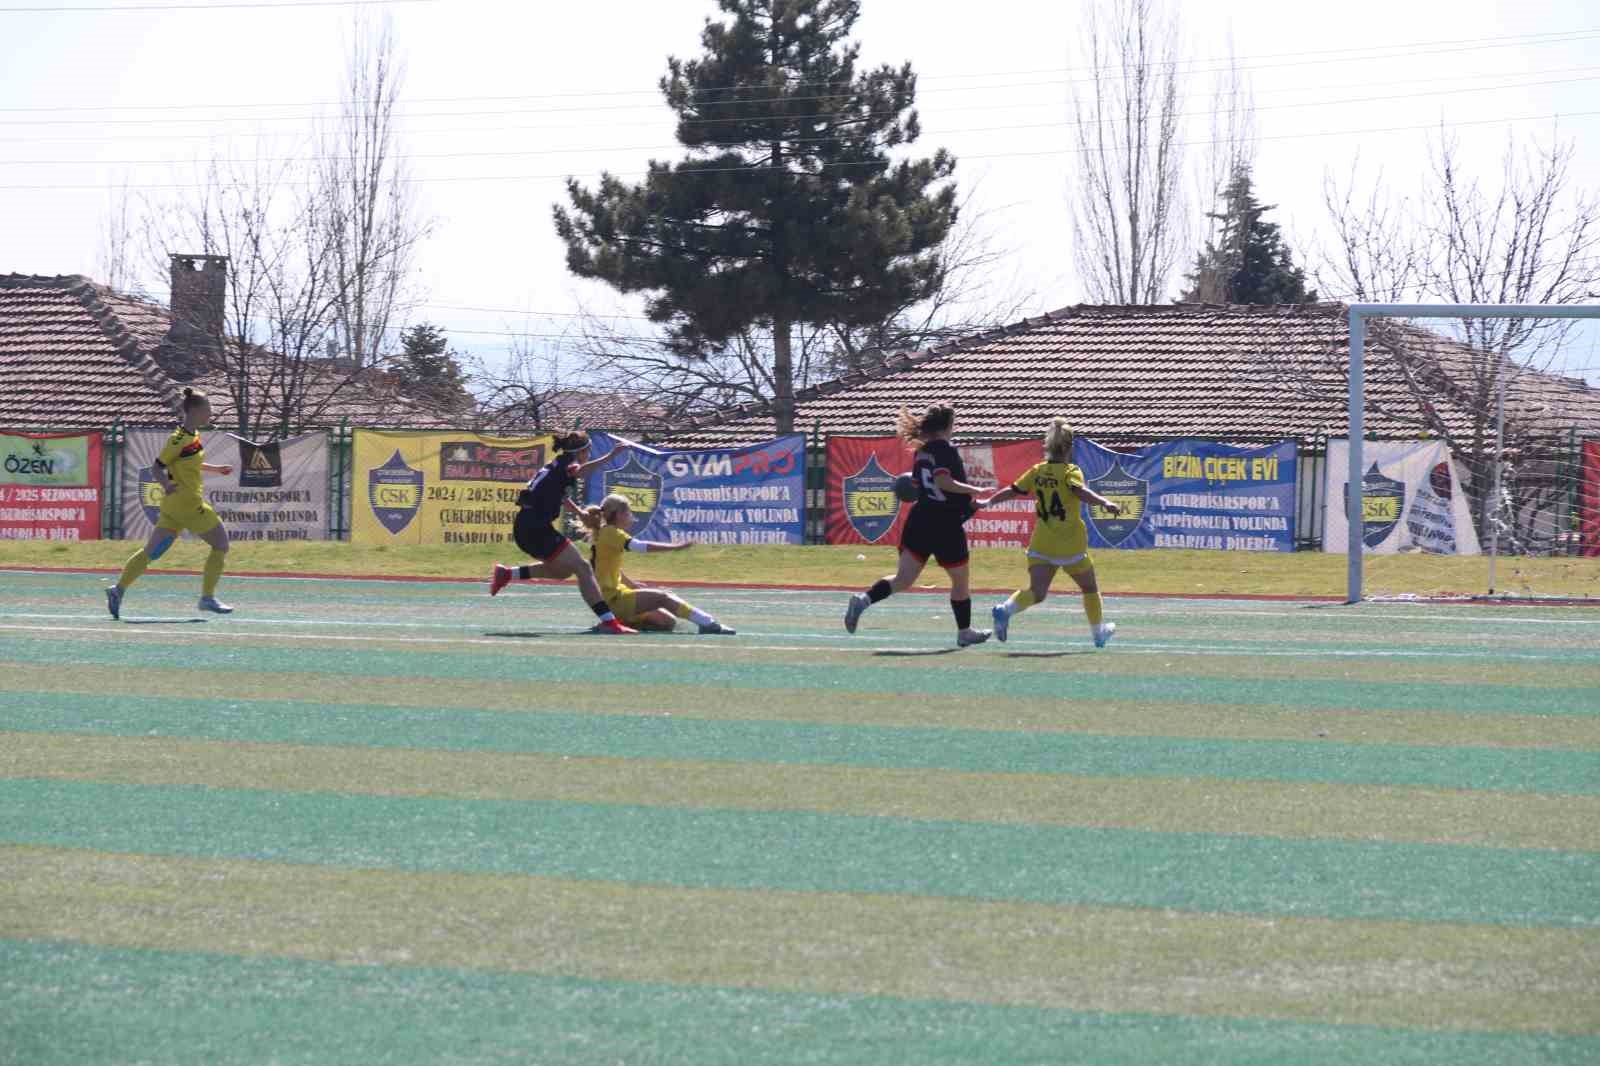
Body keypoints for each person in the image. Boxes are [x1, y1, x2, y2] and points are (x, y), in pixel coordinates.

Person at [843, 403, 991, 646]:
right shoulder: (945, 450)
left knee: (903, 579)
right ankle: (964, 631)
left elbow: (919, 486)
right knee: (960, 581)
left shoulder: (921, 452)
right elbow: (942, 482)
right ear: (947, 426)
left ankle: (863, 600)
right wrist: (973, 490)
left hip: (920, 520)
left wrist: (970, 504)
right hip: (944, 525)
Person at [980, 418, 1123, 648]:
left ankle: (1005, 609)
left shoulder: (1037, 471)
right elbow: (1079, 490)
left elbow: (1013, 490)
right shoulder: (1070, 471)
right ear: (1069, 447)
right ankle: (1098, 633)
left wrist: (987, 502)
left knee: (1037, 592)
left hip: (1042, 544)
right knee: (1089, 587)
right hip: (1070, 544)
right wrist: (1104, 502)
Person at [487, 431, 636, 635]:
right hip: (535, 528)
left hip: (528, 526)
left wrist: (579, 513)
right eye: (588, 451)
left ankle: (506, 574)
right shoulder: (569, 463)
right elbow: (579, 472)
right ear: (581, 452)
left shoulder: (557, 464)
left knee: (563, 571)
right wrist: (611, 456)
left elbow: (561, 496)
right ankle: (609, 621)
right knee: (583, 567)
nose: (589, 455)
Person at [105, 388, 234, 619]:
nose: (210, 413)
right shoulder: (178, 439)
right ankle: (207, 598)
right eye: (208, 409)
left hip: (174, 507)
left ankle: (118, 590)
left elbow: (190, 464)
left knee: (152, 552)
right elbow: (157, 467)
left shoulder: (192, 436)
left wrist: (217, 469)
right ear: (194, 411)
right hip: (187, 504)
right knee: (221, 544)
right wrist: (166, 485)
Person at [577, 494, 736, 635]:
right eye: (628, 512)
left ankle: (616, 623)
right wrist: (675, 547)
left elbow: (608, 567)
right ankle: (709, 623)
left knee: (667, 622)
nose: (631, 516)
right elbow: (640, 546)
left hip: (614, 598)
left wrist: (632, 585)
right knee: (663, 597)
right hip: (613, 600)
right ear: (618, 514)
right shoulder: (611, 532)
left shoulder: (607, 532)